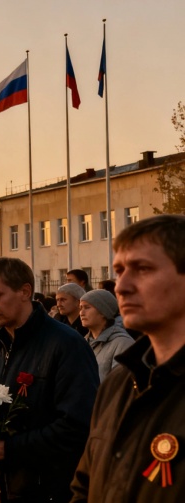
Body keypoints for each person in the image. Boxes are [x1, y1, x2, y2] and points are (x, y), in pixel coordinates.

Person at [70, 214, 185, 501]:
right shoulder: (120, 382)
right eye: (120, 271)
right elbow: (84, 485)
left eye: (143, 269)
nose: (121, 287)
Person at [0, 257, 99, 503]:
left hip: (48, 488)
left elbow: (78, 424)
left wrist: (10, 448)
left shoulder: (66, 345)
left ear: (25, 291)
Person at [78, 289, 134, 382]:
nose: (81, 313)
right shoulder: (83, 343)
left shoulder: (123, 343)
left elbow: (119, 385)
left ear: (103, 312)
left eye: (87, 307)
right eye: (80, 308)